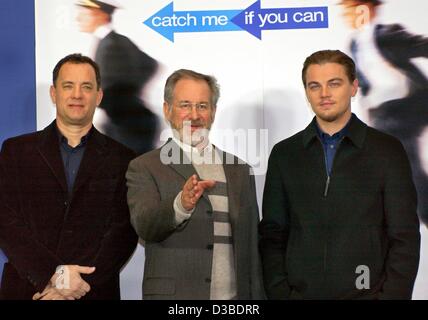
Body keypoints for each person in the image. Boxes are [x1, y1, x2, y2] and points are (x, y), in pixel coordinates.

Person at [259, 50, 420, 299]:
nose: (324, 94)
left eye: (334, 83)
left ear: (354, 87)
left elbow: (405, 236)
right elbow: (272, 235)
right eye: (315, 86)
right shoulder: (285, 154)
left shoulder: (386, 150)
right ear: (307, 93)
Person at [0, 53, 138, 300]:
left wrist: (71, 288)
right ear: (54, 94)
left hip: (91, 291)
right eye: (68, 86)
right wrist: (54, 277)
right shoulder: (16, 151)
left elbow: (123, 232)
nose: (77, 94)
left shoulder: (123, 158)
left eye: (86, 87)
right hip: (30, 290)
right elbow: (6, 221)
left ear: (99, 96)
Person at [126, 69, 265, 300]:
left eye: (202, 106)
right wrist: (181, 205)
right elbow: (145, 226)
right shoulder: (144, 166)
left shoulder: (240, 170)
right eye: (185, 105)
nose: (194, 114)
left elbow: (251, 246)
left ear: (213, 112)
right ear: (167, 110)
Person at [339, 0, 428, 225]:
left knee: (408, 166)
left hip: (405, 109)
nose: (345, 16)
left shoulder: (387, 34)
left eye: (349, 10)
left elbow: (421, 46)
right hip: (381, 115)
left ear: (365, 9)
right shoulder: (354, 43)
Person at [76, 0, 159, 155]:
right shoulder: (110, 42)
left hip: (129, 128)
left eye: (84, 13)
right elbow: (150, 65)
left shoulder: (112, 44)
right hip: (122, 124)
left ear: (99, 14)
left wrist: (128, 95)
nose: (78, 18)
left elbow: (149, 66)